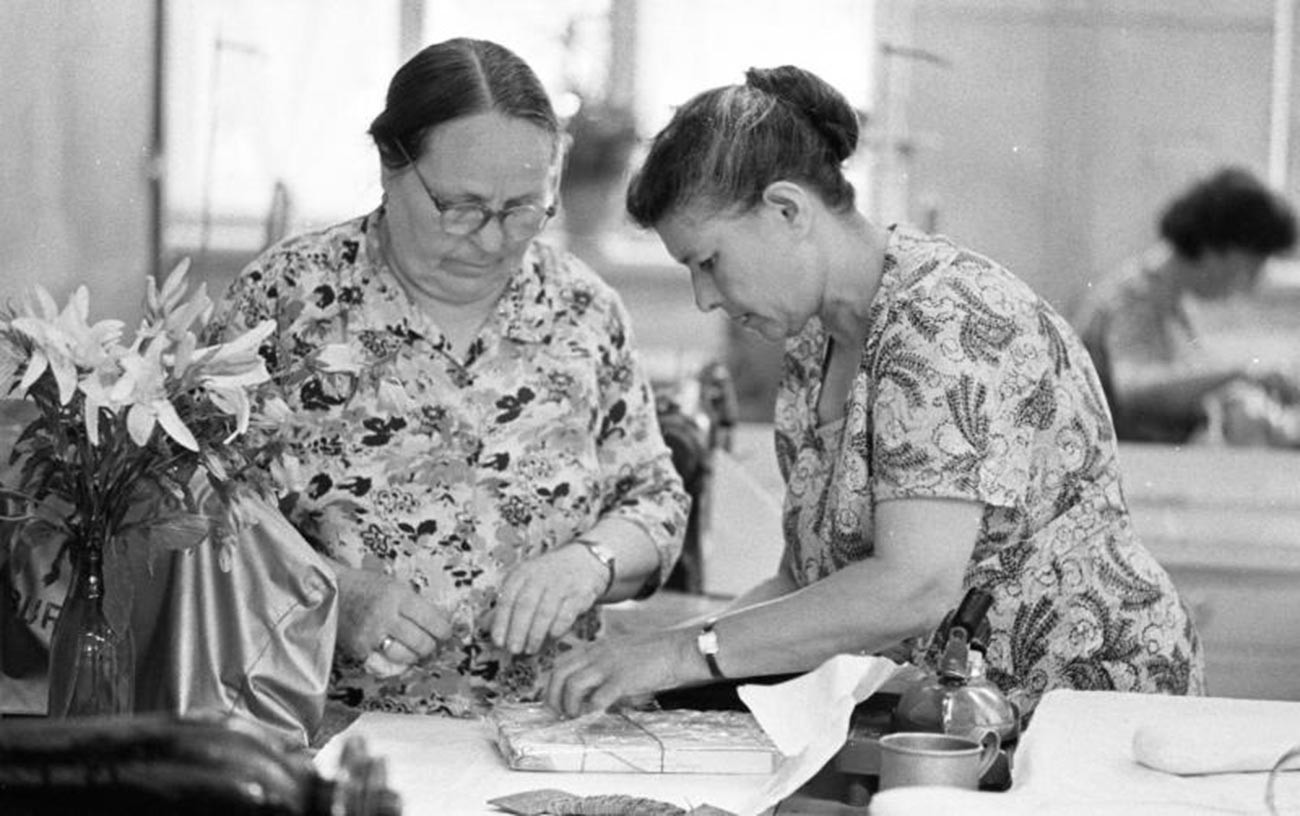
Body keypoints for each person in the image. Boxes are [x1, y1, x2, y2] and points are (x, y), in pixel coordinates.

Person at [543, 65, 1205, 719]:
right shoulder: (815, 341)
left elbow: (911, 587)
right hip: (964, 712)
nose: (704, 297)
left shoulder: (944, 320)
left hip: (1081, 708)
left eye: (709, 262)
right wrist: (656, 665)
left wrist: (683, 654)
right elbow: (803, 586)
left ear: (787, 210)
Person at [207, 37, 688, 717]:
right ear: (389, 166)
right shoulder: (282, 301)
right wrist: (336, 593)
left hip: (543, 734)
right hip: (328, 730)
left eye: (524, 209)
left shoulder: (582, 310)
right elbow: (203, 508)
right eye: (460, 207)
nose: (492, 240)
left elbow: (655, 501)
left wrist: (592, 562)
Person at [1075, 167, 1299, 444]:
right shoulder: (1134, 299)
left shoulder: (1171, 302)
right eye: (1250, 268)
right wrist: (1242, 373)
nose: (1250, 283)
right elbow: (1135, 391)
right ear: (1215, 249)